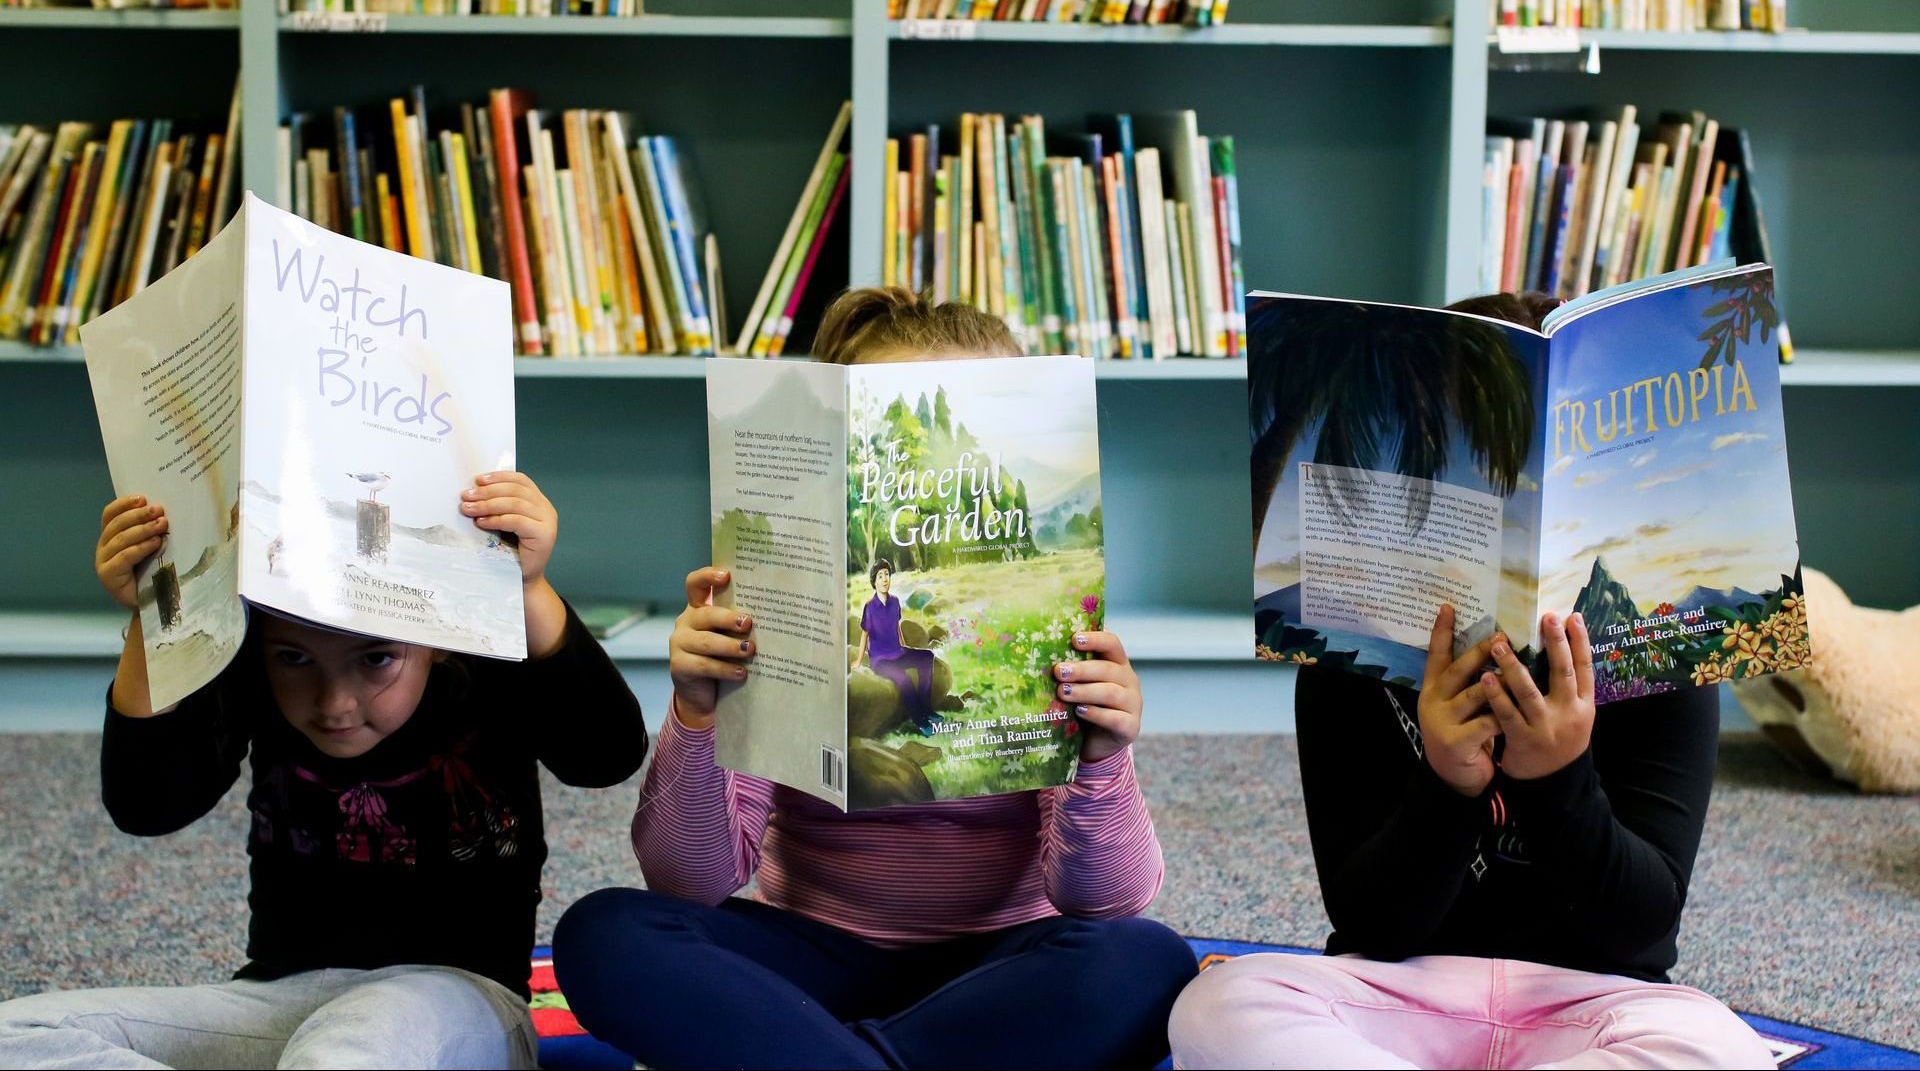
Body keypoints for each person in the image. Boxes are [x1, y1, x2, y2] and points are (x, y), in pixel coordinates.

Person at [552, 287, 1195, 1070]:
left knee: (1147, 961)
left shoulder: (1053, 637)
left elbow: (1106, 900)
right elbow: (688, 882)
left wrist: (1101, 757)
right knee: (603, 935)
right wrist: (697, 711)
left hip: (1005, 964)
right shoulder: (781, 608)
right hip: (812, 961)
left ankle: (831, 1062)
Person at [1171, 292, 1771, 1069]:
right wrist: (1448, 784)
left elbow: (1643, 927)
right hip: (1399, 994)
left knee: (1725, 1051)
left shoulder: (1662, 654)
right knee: (1220, 1005)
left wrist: (1558, 781)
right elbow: (1371, 924)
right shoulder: (1353, 657)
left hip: (1593, 1002)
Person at [0, 471, 647, 1070]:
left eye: (375, 661)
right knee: (15, 1037)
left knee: (345, 1051)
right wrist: (156, 614)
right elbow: (148, 803)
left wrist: (528, 586)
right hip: (278, 996)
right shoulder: (255, 668)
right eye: (296, 660)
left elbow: (606, 754)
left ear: (436, 640)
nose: (334, 704)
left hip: (451, 1001)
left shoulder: (479, 662)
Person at [858, 557, 939, 734]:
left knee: (927, 657)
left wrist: (904, 646)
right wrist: (858, 661)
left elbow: (896, 626)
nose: (885, 579)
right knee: (904, 679)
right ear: (874, 581)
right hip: (881, 660)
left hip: (898, 653)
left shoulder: (894, 601)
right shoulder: (870, 607)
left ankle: (926, 709)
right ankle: (921, 722)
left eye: (887, 574)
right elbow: (865, 634)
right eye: (880, 576)